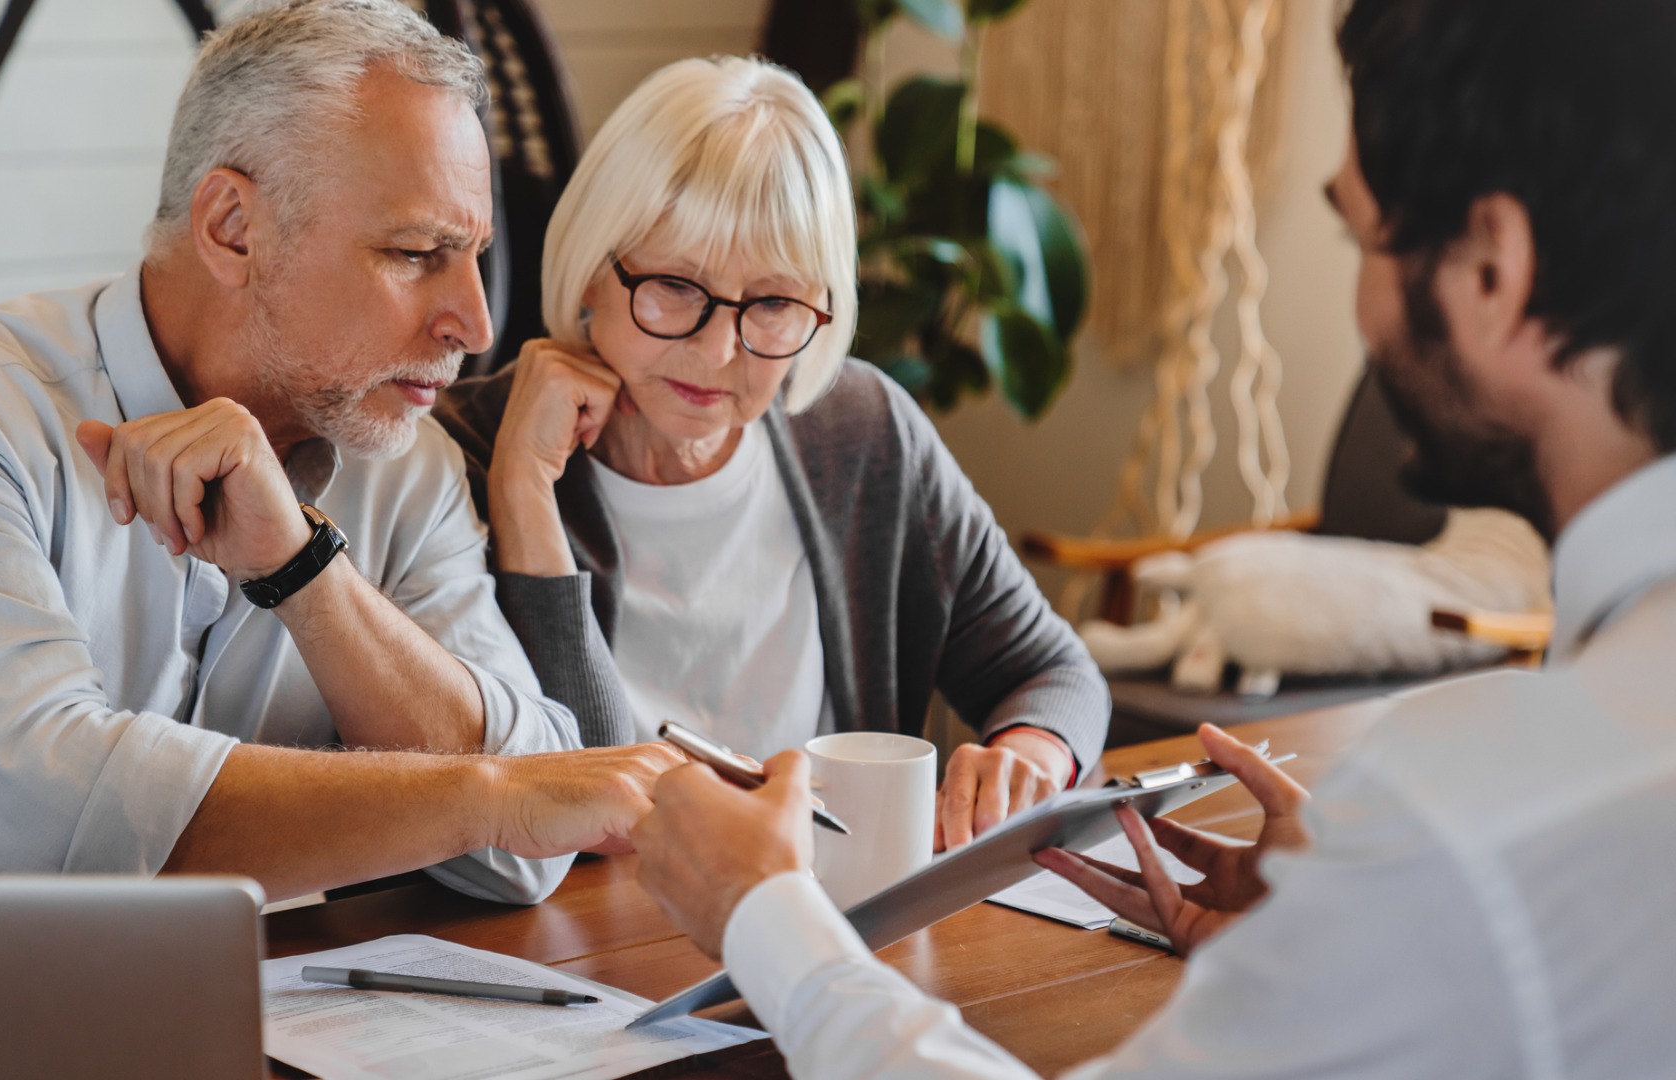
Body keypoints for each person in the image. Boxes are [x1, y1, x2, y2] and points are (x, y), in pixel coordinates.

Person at [630, 0, 1676, 1074]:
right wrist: (1332, 942)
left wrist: (768, 923)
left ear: (1492, 267)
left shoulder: (1477, 820)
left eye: (1358, 237)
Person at [0, 0, 683, 903]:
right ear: (232, 228)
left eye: (471, 254)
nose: (474, 323)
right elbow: (65, 822)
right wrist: (486, 796)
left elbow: (527, 857)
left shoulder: (409, 467)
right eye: (413, 253)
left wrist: (306, 573)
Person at [433, 57, 1109, 849]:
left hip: (824, 926)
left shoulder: (859, 430)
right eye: (677, 286)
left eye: (775, 302)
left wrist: (1031, 751)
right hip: (582, 948)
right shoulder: (464, 451)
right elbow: (563, 798)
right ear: (590, 267)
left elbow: (1054, 674)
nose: (719, 350)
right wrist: (522, 496)